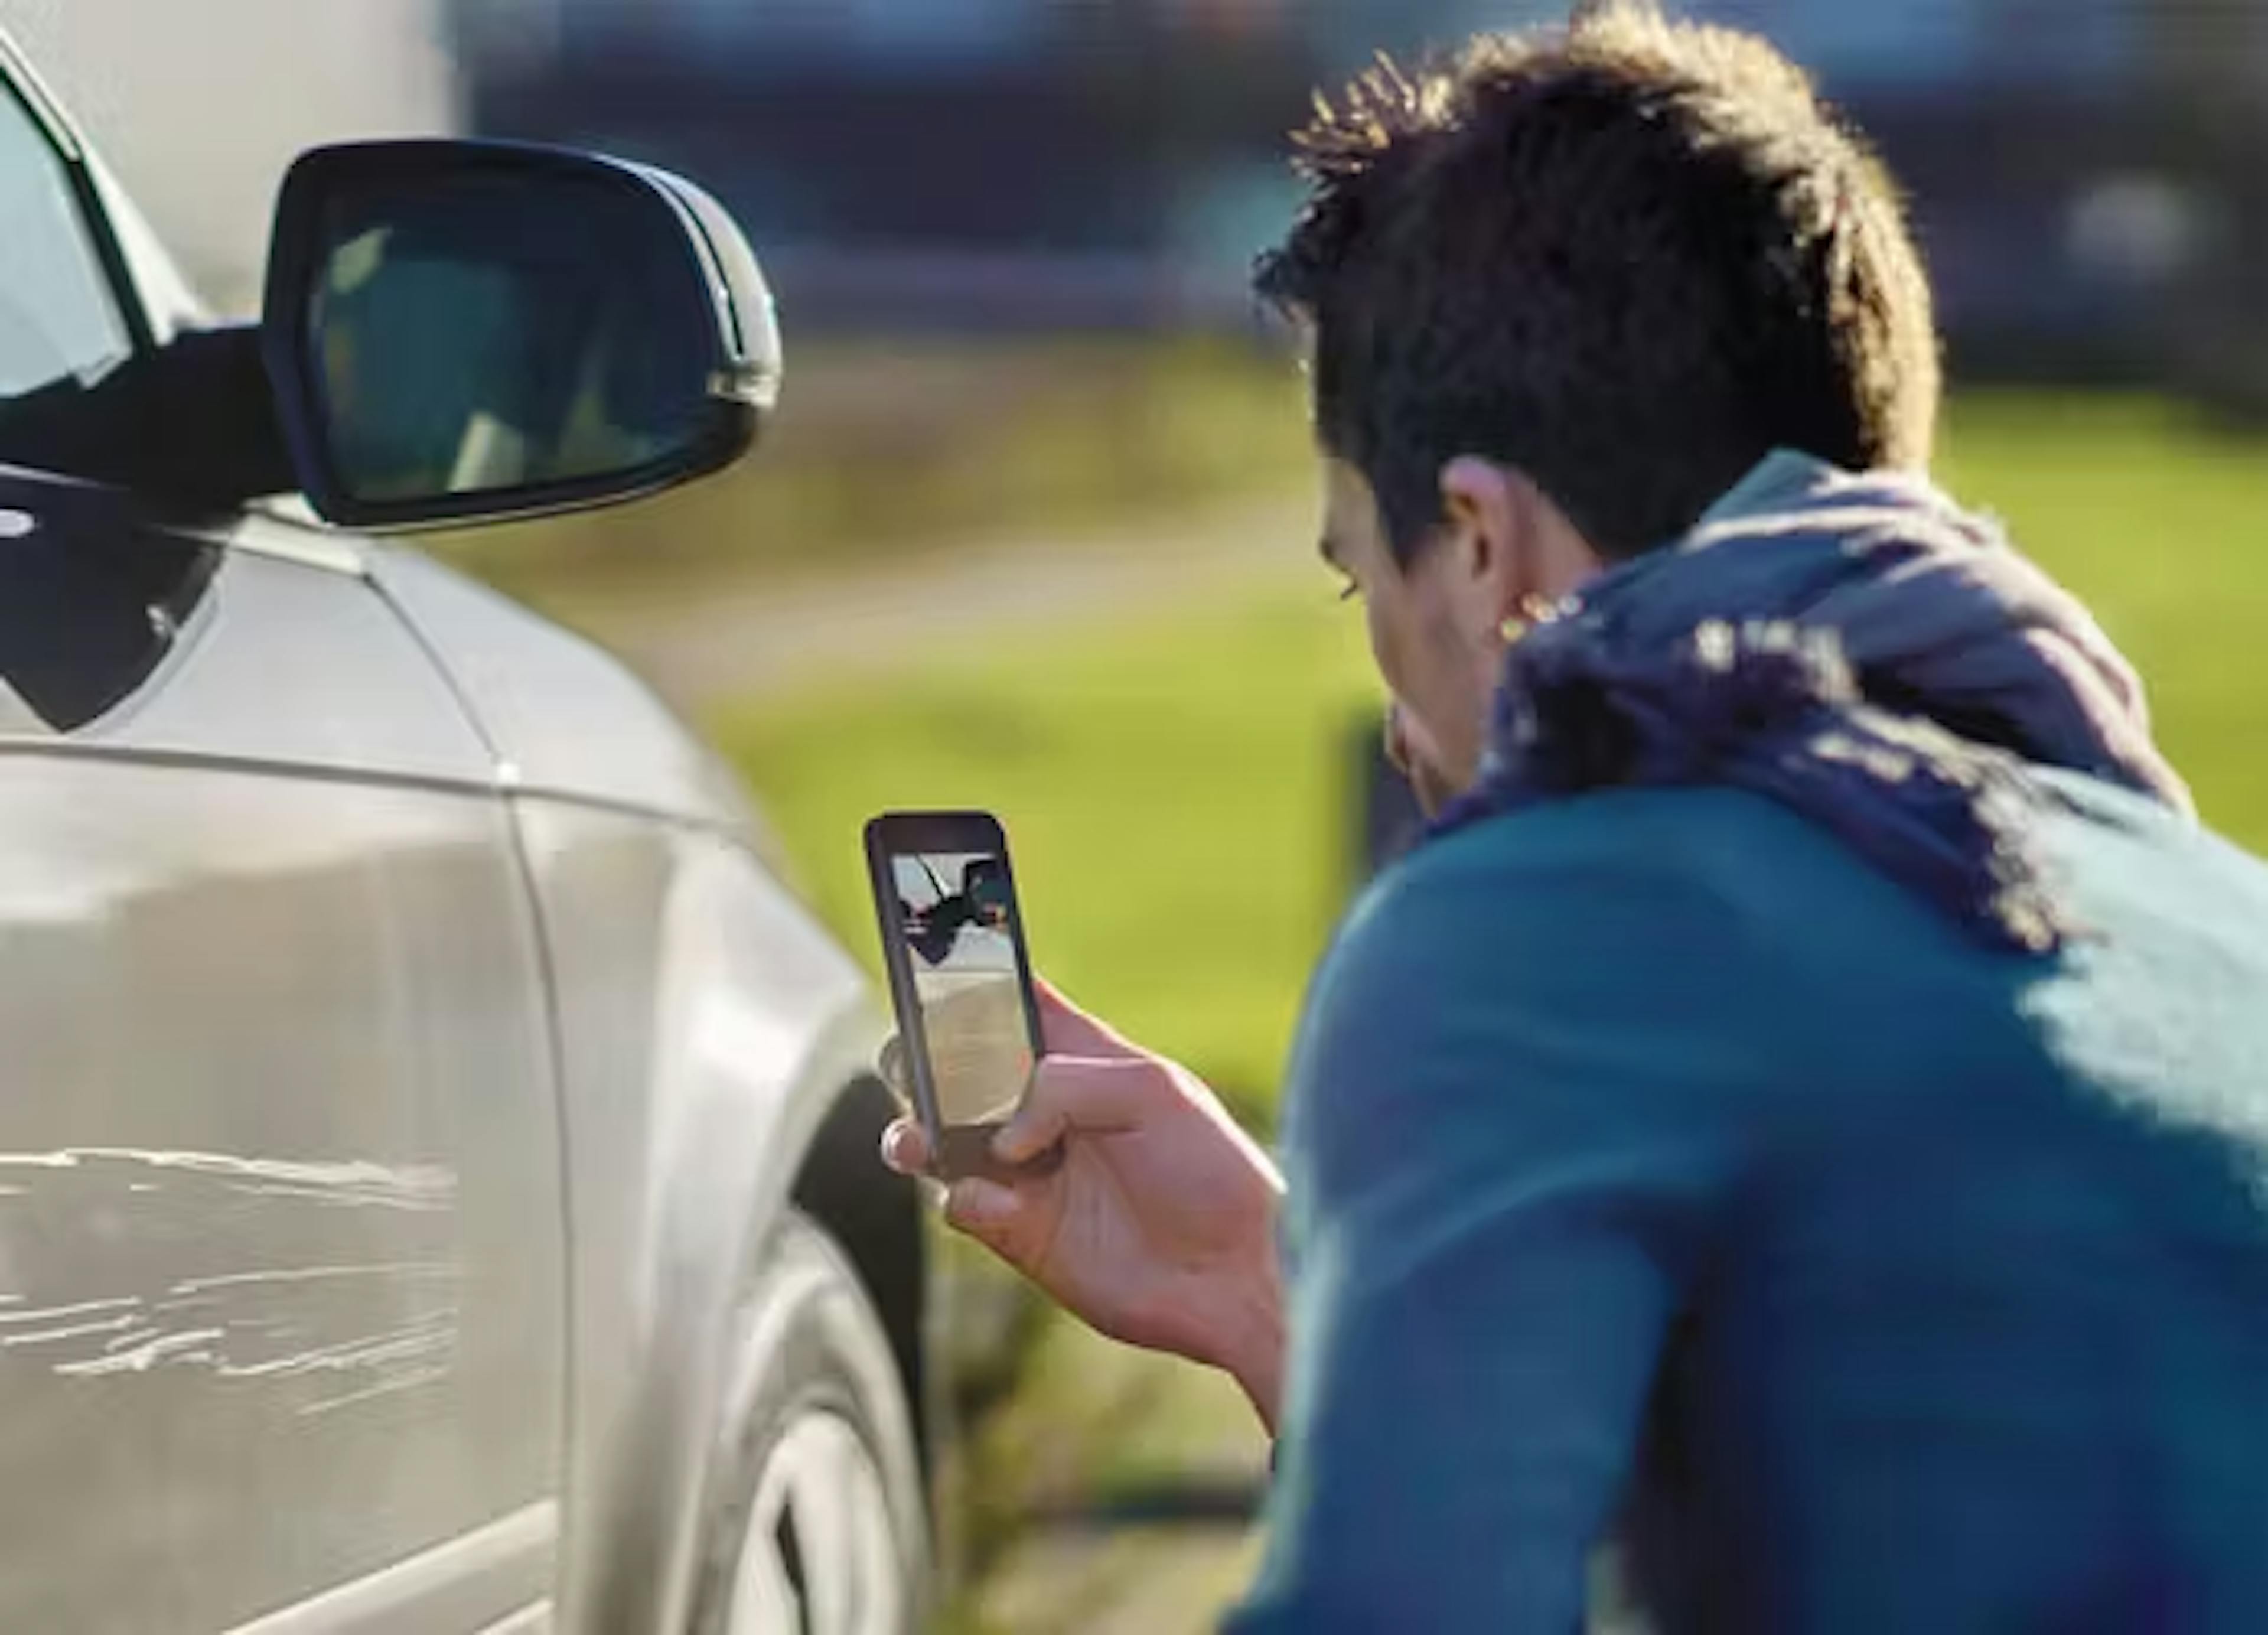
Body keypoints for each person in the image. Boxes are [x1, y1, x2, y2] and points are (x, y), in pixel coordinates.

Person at [885, 7, 2268, 1629]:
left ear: (1478, 544)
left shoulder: (1543, 925)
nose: (1403, 728)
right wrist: (1283, 1305)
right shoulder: (2215, 919)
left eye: (1358, 576)